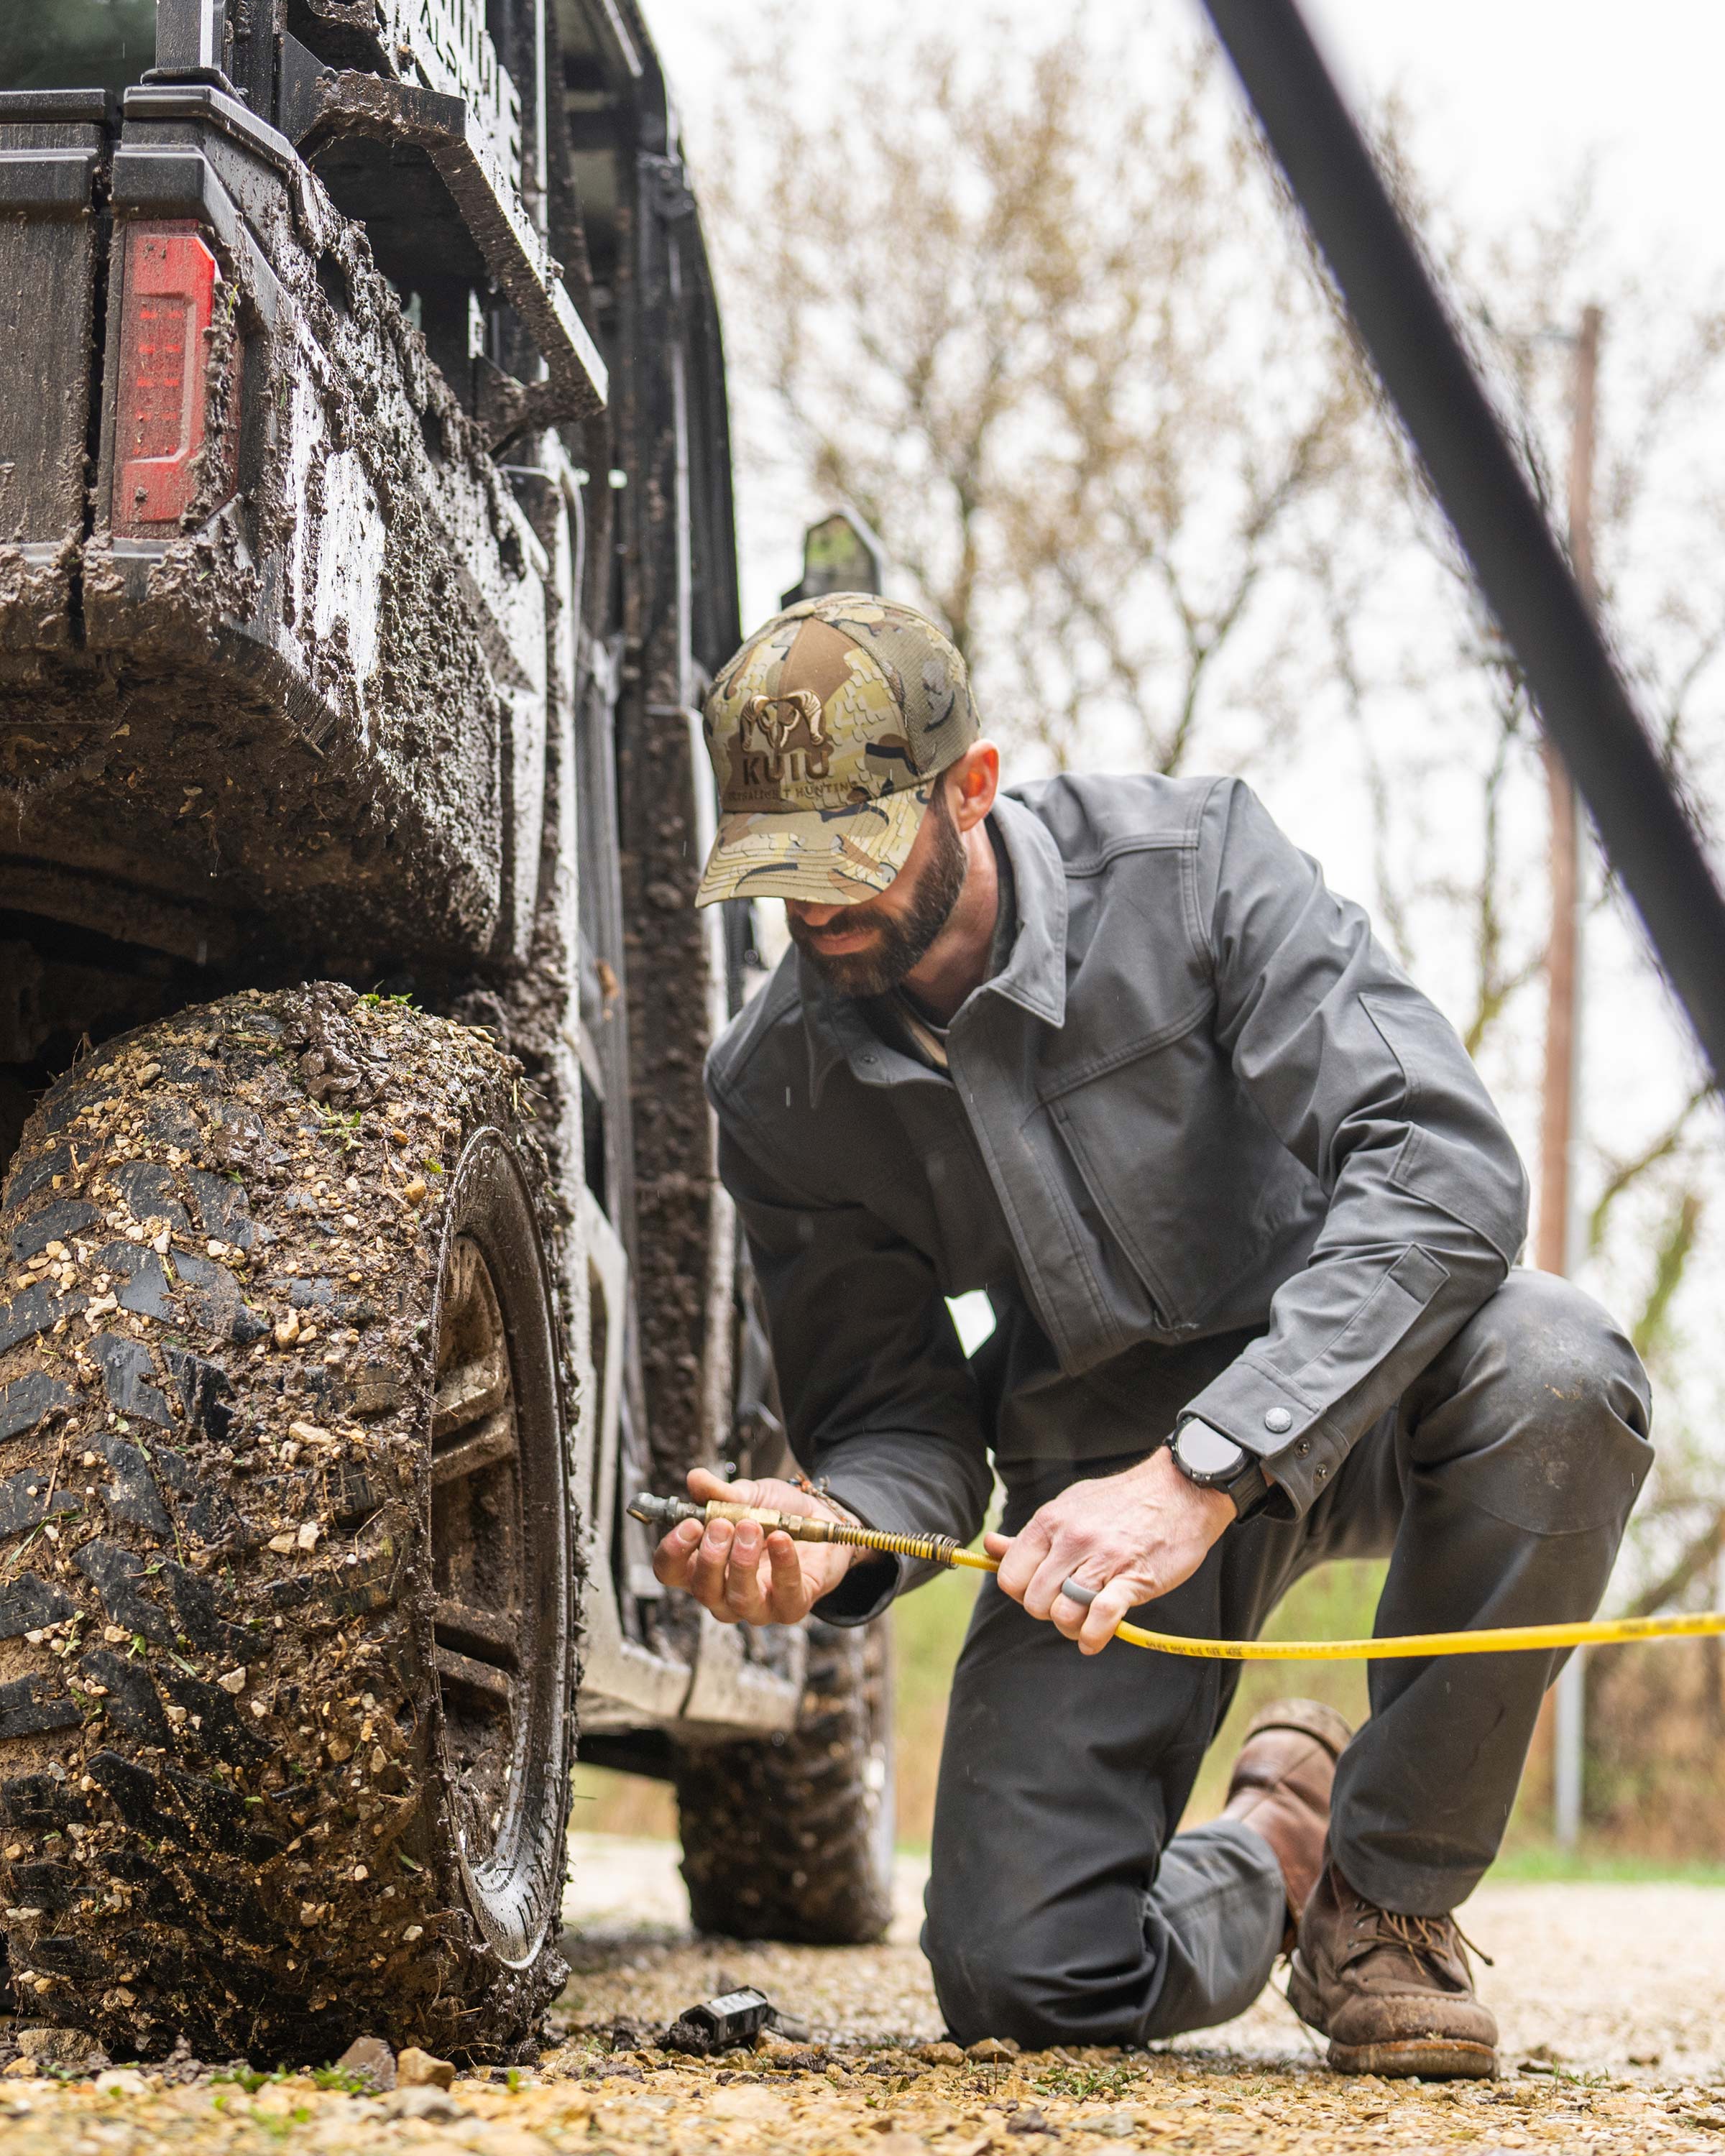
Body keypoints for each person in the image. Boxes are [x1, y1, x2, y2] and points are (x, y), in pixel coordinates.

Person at [652, 593, 1652, 2077]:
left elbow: (1445, 1169)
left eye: (852, 856)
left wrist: (1202, 1467)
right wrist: (842, 1532)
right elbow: (899, 1417)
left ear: (969, 787)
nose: (816, 913)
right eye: (779, 874)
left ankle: (1388, 1900)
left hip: (1361, 1392)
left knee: (1563, 1374)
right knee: (1019, 1981)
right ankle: (1283, 1851)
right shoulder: (779, 1088)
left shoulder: (1197, 869)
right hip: (1087, 1493)